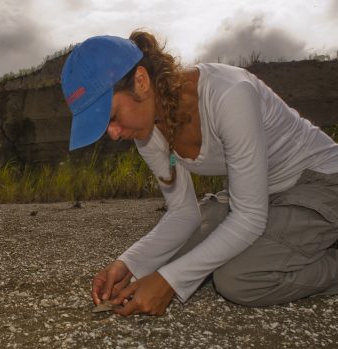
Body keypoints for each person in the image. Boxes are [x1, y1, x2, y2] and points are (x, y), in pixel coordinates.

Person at [60, 30, 338, 316]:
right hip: (264, 193)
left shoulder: (230, 94)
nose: (114, 134)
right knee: (166, 260)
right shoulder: (146, 131)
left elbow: (250, 217)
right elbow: (183, 213)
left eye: (112, 117)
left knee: (238, 280)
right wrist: (128, 263)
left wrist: (169, 282)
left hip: (321, 182)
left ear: (141, 82)